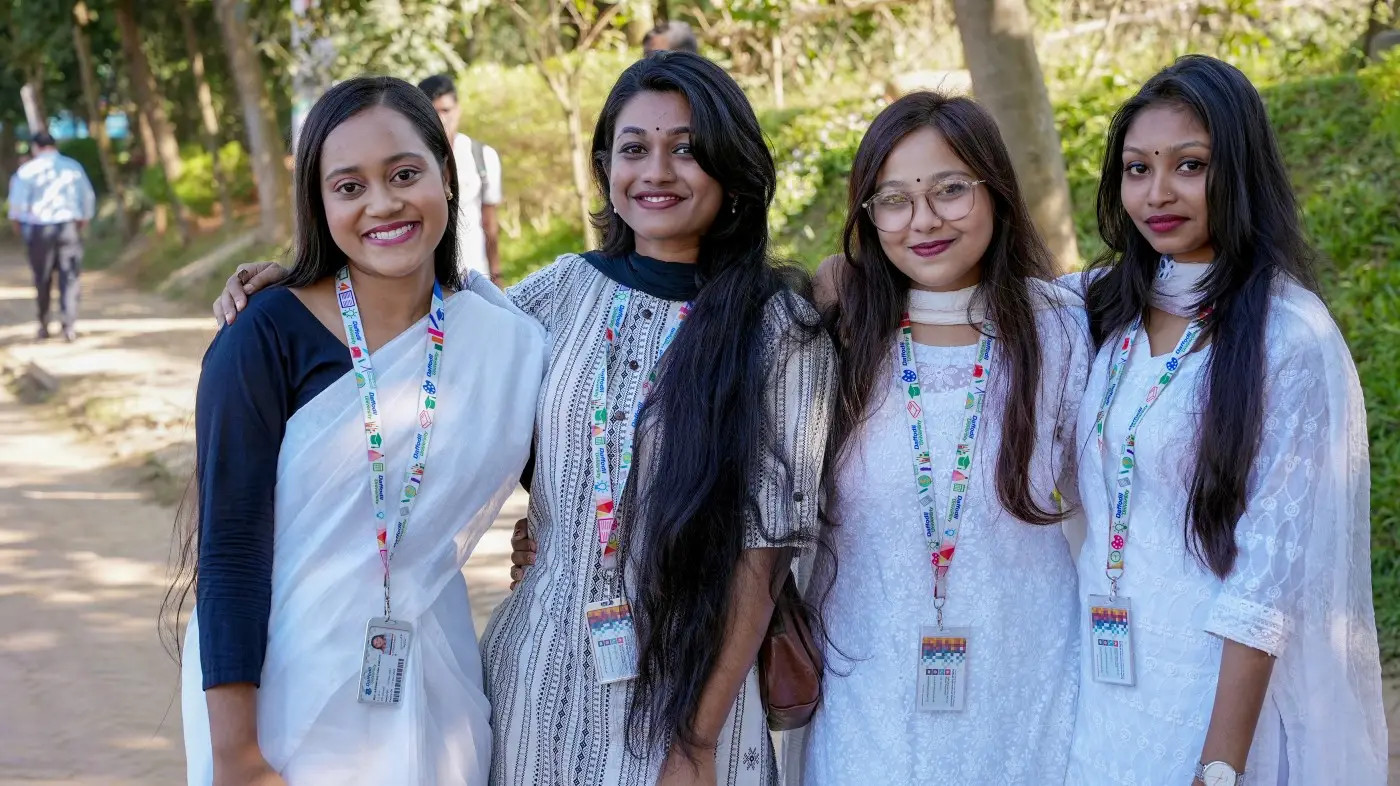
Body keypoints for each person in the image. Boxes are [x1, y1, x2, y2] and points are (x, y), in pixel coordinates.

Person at [215, 52, 835, 786]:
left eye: (686, 149)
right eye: (633, 149)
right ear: (606, 167)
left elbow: (761, 561)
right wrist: (296, 279)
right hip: (533, 690)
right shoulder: (555, 296)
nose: (657, 171)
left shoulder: (780, 332)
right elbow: (426, 325)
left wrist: (696, 745)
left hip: (688, 707)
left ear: (731, 165)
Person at [174, 76, 545, 786]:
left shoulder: (505, 341)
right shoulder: (262, 336)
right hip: (283, 698)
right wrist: (238, 757)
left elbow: (582, 478)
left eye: (404, 174)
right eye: (349, 187)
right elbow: (231, 554)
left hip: (436, 687)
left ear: (445, 172)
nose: (383, 204)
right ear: (320, 204)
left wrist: (548, 548)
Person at [1065, 55, 1385, 785]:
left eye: (1190, 165)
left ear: (1238, 171)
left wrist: (1219, 766)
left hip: (1214, 700)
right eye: (1138, 169)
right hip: (1107, 689)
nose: (1158, 193)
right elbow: (978, 298)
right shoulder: (1105, 310)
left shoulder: (1288, 337)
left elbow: (1263, 588)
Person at [794, 91, 1089, 785]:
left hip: (1030, 701)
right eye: (894, 200)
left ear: (996, 189)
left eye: (950, 190)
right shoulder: (835, 336)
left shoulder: (1060, 328)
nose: (923, 220)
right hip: (868, 708)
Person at [7, 131, 96, 342]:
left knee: (42, 277)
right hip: (68, 225)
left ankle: (44, 323)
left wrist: (18, 227)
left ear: (35, 147)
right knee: (70, 276)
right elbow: (87, 197)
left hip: (40, 228)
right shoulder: (72, 167)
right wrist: (83, 220)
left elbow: (17, 206)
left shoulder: (27, 171)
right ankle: (69, 324)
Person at [418, 74, 504, 285]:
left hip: (475, 276)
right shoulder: (408, 163)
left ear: (458, 110)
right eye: (433, 112)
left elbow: (489, 222)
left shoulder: (482, 155)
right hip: (427, 282)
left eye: (446, 110)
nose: (441, 119)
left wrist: (496, 275)